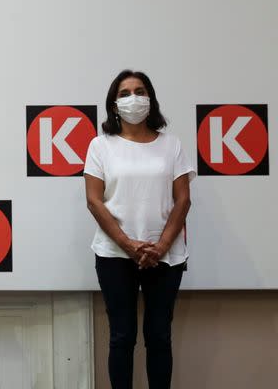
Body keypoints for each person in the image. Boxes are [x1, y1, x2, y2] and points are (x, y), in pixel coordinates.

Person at [84, 69, 195, 389]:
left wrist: (159, 247)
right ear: (113, 104)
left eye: (140, 90)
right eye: (124, 92)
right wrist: (128, 244)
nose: (133, 98)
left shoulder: (171, 145)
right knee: (121, 337)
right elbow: (94, 201)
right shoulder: (100, 146)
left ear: (151, 99)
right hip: (114, 254)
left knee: (159, 336)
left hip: (166, 256)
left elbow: (183, 200)